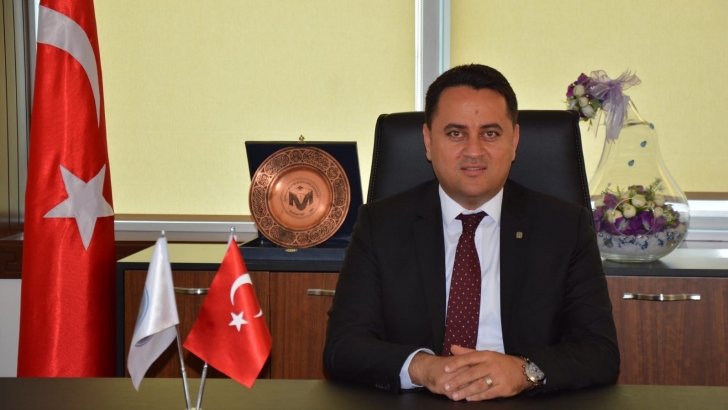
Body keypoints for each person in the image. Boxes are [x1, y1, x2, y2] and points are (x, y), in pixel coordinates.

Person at [323, 64, 619, 401]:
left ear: (514, 141)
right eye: (455, 133)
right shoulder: (380, 225)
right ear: (428, 141)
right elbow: (343, 347)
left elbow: (600, 352)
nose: (474, 151)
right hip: (419, 399)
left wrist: (523, 371)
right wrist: (423, 368)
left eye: (490, 134)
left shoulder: (565, 227)